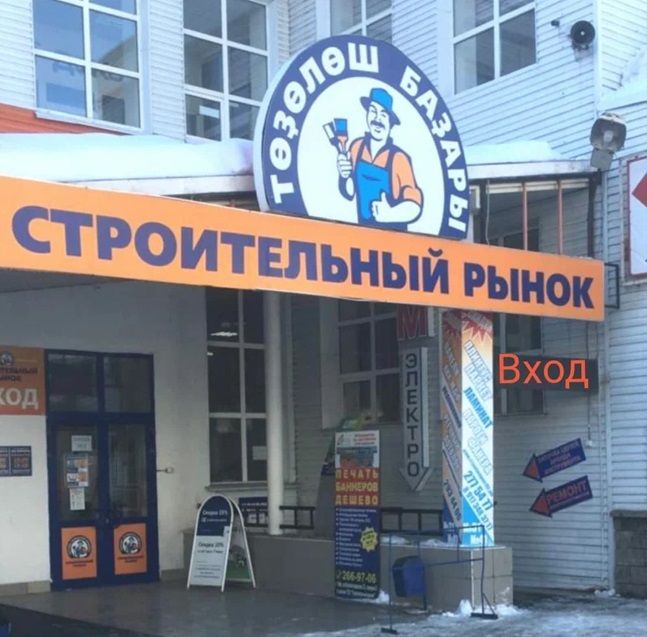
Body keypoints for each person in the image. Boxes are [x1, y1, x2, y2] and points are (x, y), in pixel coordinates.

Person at [337, 87, 423, 230]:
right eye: (373, 111)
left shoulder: (399, 158)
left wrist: (390, 214)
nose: (377, 119)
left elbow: (415, 205)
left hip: (394, 240)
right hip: (361, 236)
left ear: (390, 122)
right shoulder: (357, 147)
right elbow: (350, 193)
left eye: (383, 114)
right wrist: (344, 176)